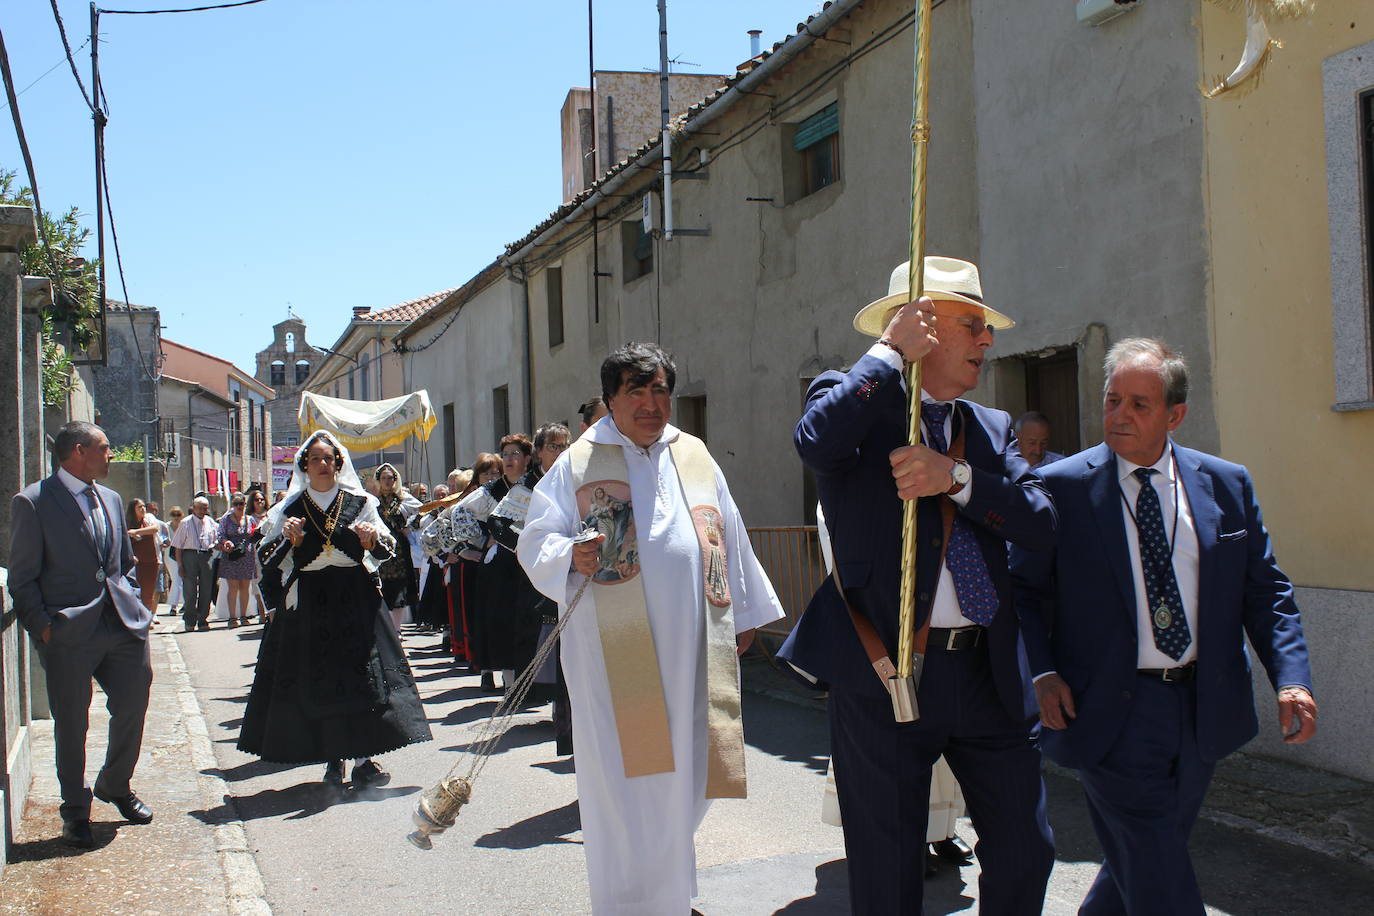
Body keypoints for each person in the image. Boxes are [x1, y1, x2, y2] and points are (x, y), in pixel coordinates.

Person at [779, 256, 1056, 914]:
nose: (988, 341)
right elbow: (815, 441)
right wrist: (884, 353)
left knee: (1026, 848)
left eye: (987, 328)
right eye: (972, 325)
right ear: (925, 328)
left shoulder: (990, 429)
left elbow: (1041, 521)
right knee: (886, 869)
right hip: (886, 678)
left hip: (987, 676)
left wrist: (954, 479)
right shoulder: (855, 402)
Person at [1012, 338, 1316, 915]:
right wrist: (1044, 671)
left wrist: (1291, 678)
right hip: (1108, 709)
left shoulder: (1226, 484)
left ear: (1174, 415)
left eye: (1139, 405)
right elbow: (1023, 590)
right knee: (1159, 874)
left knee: (1148, 852)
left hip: (1203, 707)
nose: (1119, 415)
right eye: (1112, 400)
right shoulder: (1064, 488)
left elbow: (1266, 589)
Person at [518, 342, 784, 914]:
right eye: (635, 391)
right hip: (617, 650)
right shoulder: (580, 461)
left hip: (694, 640)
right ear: (611, 400)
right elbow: (535, 538)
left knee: (688, 769)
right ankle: (631, 903)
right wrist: (570, 554)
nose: (650, 403)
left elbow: (727, 532)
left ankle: (667, 893)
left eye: (660, 389)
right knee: (626, 778)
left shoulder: (693, 454)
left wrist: (744, 612)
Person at [238, 431, 432, 788]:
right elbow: (265, 558)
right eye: (316, 459)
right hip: (311, 600)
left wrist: (370, 540)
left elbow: (387, 549)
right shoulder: (291, 508)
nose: (323, 465)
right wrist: (288, 541)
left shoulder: (359, 502)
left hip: (354, 596)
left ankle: (362, 758)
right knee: (321, 678)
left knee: (360, 677)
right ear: (305, 465)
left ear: (338, 463)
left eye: (329, 459)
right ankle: (332, 758)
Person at [8, 421, 155, 848]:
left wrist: (136, 605)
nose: (111, 455)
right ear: (77, 451)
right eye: (105, 448)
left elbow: (124, 564)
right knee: (71, 723)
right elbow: (21, 577)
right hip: (68, 633)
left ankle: (115, 783)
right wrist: (44, 628)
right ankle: (75, 809)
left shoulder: (110, 497)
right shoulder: (32, 502)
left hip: (122, 626)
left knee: (133, 701)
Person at [490, 423, 572, 742]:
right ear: (538, 452)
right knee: (541, 631)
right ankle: (542, 695)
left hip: (572, 567)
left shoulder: (572, 479)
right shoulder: (528, 487)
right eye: (553, 446)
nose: (560, 452)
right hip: (538, 574)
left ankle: (566, 703)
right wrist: (527, 547)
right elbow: (498, 524)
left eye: (565, 446)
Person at [461, 436, 533, 691]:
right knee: (504, 620)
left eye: (515, 454)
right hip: (502, 565)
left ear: (527, 458)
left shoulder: (535, 483)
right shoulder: (492, 490)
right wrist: (483, 542)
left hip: (531, 559)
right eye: (506, 454)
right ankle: (510, 682)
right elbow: (459, 514)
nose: (510, 459)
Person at [374, 462, 422, 631]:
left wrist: (411, 527)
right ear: (378, 480)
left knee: (399, 589)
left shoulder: (403, 499)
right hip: (378, 549)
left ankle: (396, 630)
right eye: (384, 478)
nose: (387, 481)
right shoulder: (373, 501)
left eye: (390, 478)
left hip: (399, 551)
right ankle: (385, 630)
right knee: (381, 588)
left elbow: (423, 511)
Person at [170, 496, 219, 631]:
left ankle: (202, 619)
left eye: (205, 508)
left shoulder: (211, 522)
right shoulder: (185, 523)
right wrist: (180, 565)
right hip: (189, 555)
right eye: (200, 508)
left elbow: (217, 540)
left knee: (206, 589)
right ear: (194, 508)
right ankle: (190, 620)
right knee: (190, 590)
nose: (203, 510)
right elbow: (178, 547)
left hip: (206, 556)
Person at [216, 493, 258, 627]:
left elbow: (254, 534)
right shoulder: (226, 519)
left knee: (245, 587)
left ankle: (244, 616)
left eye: (242, 504)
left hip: (246, 556)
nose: (239, 506)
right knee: (233, 587)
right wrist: (226, 541)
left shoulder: (250, 519)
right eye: (236, 504)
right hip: (231, 555)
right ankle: (232, 617)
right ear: (232, 506)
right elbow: (220, 534)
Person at [125, 498, 161, 612]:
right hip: (135, 562)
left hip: (151, 561)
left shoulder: (149, 518)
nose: (143, 509)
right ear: (133, 510)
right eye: (139, 507)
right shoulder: (127, 523)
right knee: (135, 590)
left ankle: (147, 617)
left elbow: (155, 528)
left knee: (148, 592)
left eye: (143, 506)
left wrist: (136, 532)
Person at [164, 505, 185, 616]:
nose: (176, 517)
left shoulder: (184, 526)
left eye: (178, 515)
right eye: (173, 515)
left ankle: (180, 604)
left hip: (182, 555)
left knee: (181, 579)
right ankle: (174, 605)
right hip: (169, 555)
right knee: (176, 579)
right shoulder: (166, 526)